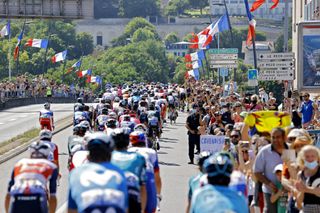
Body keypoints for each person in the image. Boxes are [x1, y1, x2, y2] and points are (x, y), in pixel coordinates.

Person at [68, 132, 128, 213]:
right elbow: (125, 207)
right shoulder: (119, 172)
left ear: (88, 155)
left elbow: (72, 210)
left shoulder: (75, 173)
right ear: (110, 154)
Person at [5, 141, 58, 213]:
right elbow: (52, 197)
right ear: (46, 155)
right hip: (37, 196)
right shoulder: (51, 166)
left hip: (17, 195)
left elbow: (8, 195)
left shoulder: (19, 163)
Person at [111, 129, 147, 213]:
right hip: (132, 198)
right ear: (128, 142)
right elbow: (143, 187)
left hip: (112, 196)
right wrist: (142, 210)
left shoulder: (107, 157)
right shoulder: (139, 157)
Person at [253, 127, 288, 213]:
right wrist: (269, 183)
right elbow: (257, 171)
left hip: (288, 192)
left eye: (278, 137)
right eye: (273, 137)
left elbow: (294, 169)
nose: (275, 139)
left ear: (284, 137)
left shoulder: (290, 149)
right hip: (270, 192)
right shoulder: (264, 151)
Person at [128, 131, 162, 213]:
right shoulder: (151, 152)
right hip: (148, 178)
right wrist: (158, 195)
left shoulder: (127, 151)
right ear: (144, 140)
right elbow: (157, 177)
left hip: (130, 180)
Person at [295, 145, 320, 212]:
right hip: (307, 209)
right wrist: (302, 191)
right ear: (302, 158)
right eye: (307, 156)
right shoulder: (300, 174)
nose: (310, 159)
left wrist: (305, 189)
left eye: (313, 156)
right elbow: (299, 202)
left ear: (317, 157)